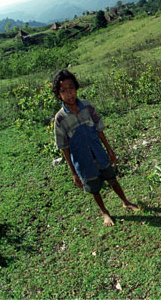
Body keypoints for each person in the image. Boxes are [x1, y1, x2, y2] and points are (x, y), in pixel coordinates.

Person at [52, 69, 138, 226]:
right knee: (94, 189)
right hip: (83, 162)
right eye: (64, 90)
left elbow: (99, 129)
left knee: (112, 179)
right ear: (59, 94)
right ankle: (105, 213)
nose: (69, 93)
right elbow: (64, 147)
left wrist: (109, 150)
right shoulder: (60, 119)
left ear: (76, 88)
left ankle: (125, 201)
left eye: (71, 88)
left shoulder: (87, 106)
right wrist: (73, 172)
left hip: (99, 153)